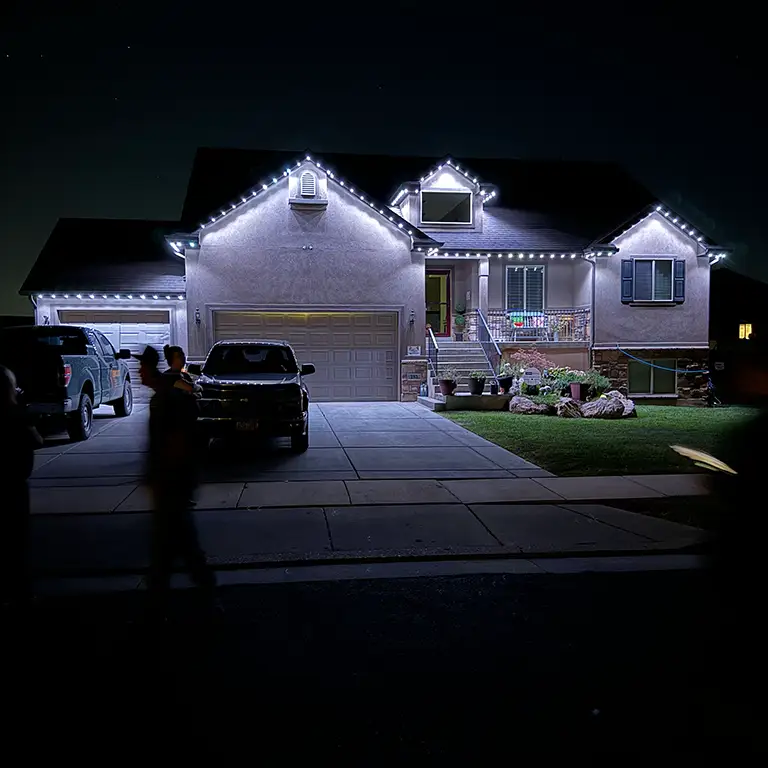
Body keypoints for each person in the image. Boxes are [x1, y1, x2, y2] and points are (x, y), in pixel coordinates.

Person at [136, 346, 218, 622]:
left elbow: (177, 438)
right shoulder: (163, 392)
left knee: (178, 546)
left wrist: (169, 476)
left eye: (141, 368)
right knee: (172, 547)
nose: (138, 373)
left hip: (173, 484)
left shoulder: (169, 390)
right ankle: (165, 602)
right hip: (171, 482)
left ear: (149, 368)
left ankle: (172, 606)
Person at [0, 365, 43, 612]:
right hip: (14, 488)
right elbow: (37, 439)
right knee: (16, 543)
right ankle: (20, 595)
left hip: (4, 486)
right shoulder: (15, 416)